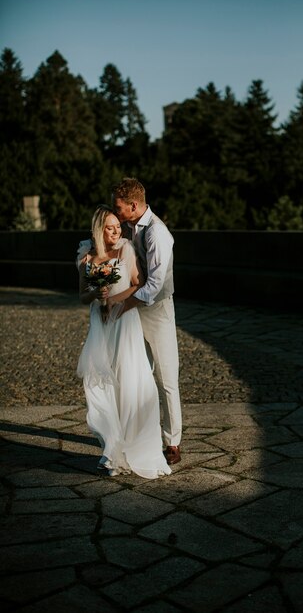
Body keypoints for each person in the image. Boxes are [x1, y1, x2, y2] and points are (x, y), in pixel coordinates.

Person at [76, 204, 171, 479]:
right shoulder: (87, 257)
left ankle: (134, 446)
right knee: (100, 385)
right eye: (110, 227)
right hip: (101, 325)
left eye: (118, 226)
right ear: (99, 230)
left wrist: (115, 300)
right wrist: (97, 294)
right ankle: (111, 447)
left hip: (124, 321)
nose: (116, 232)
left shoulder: (126, 250)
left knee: (129, 381)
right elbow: (82, 295)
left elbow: (137, 284)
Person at [110, 177, 182, 465]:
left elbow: (154, 285)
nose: (116, 212)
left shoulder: (157, 234)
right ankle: (142, 436)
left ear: (133, 205)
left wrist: (124, 303)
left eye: (118, 207)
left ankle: (172, 442)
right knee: (139, 374)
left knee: (166, 378)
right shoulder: (128, 228)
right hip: (135, 309)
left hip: (157, 310)